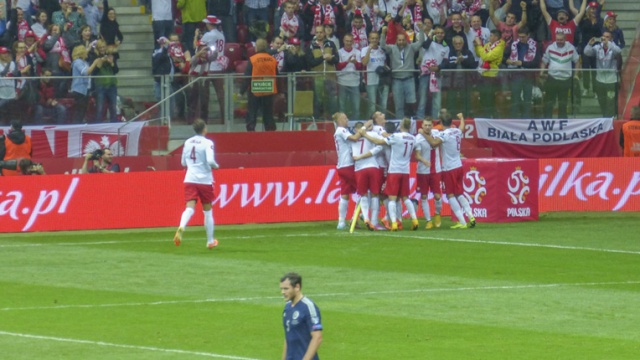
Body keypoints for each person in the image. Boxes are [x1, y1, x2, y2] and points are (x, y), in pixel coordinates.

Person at [361, 117, 420, 231]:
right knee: (406, 198)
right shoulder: (413, 138)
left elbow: (378, 142)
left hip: (394, 170)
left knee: (392, 199)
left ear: (401, 126)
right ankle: (414, 220)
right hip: (405, 171)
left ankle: (393, 223)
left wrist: (365, 134)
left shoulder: (396, 137)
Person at [423, 112, 476, 229]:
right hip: (459, 166)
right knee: (459, 193)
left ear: (441, 123)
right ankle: (471, 216)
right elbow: (462, 127)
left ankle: (462, 222)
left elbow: (433, 143)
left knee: (450, 195)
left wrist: (423, 133)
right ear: (451, 122)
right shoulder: (456, 131)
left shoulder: (444, 134)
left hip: (449, 169)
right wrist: (462, 118)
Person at [174, 118, 220, 249]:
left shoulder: (187, 142)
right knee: (208, 211)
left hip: (190, 178)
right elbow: (210, 161)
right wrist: (216, 166)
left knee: (189, 208)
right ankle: (210, 241)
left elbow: (183, 163)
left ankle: (182, 226)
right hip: (204, 180)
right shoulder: (208, 143)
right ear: (204, 128)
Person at [380, 21, 425, 119]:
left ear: (406, 40)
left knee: (411, 102)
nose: (401, 42)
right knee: (398, 105)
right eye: (399, 40)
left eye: (403, 40)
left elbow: (421, 42)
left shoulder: (411, 47)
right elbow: (382, 46)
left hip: (409, 79)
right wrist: (383, 33)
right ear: (396, 40)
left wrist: (421, 30)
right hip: (397, 80)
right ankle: (399, 124)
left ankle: (411, 122)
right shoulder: (392, 48)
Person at [350, 121, 385, 230]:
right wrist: (370, 153)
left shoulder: (352, 139)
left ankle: (366, 218)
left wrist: (359, 157)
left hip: (359, 168)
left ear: (356, 129)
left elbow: (350, 154)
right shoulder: (372, 134)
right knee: (375, 194)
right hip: (372, 166)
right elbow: (381, 146)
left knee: (363, 194)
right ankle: (374, 221)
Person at [280, 272, 322, 360]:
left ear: (297, 287)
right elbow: (288, 337)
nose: (283, 292)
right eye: (282, 289)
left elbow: (317, 337)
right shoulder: (287, 307)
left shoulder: (308, 307)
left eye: (286, 289)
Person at [241, 38, 278, 132]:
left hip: (255, 90)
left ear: (256, 48)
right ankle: (270, 134)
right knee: (268, 114)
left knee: (252, 113)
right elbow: (277, 75)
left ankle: (251, 132)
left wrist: (242, 91)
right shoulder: (272, 59)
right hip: (269, 89)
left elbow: (247, 77)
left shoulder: (253, 59)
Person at [540, 32, 580, 119]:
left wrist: (576, 75)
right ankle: (547, 122)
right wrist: (541, 73)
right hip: (552, 78)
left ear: (565, 39)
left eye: (561, 40)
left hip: (566, 80)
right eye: (557, 39)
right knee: (549, 103)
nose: (559, 41)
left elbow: (577, 61)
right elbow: (544, 61)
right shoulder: (550, 47)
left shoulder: (571, 48)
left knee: (563, 103)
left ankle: (562, 124)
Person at [503, 27, 540, 119]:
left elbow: (536, 62)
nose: (521, 39)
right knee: (515, 97)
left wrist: (522, 63)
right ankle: (514, 118)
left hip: (528, 75)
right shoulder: (514, 44)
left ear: (528, 36)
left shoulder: (535, 45)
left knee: (527, 98)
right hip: (516, 74)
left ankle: (526, 118)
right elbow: (503, 58)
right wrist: (507, 61)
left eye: (523, 37)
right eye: (519, 37)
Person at [583, 31, 621, 118]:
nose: (604, 38)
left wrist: (609, 44)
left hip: (611, 80)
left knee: (610, 102)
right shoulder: (597, 47)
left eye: (607, 37)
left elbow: (618, 52)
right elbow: (587, 52)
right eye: (603, 36)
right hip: (600, 80)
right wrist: (589, 44)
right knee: (602, 101)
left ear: (611, 39)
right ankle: (605, 118)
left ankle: (610, 119)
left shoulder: (613, 47)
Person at [333, 111, 360, 230]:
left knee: (345, 194)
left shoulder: (340, 131)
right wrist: (363, 130)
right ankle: (356, 218)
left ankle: (341, 222)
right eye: (344, 118)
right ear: (339, 121)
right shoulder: (341, 130)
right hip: (348, 165)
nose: (347, 119)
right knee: (364, 191)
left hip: (341, 166)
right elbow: (354, 138)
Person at [414, 118, 442, 229]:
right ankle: (428, 220)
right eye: (425, 125)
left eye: (429, 125)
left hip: (436, 170)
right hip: (422, 171)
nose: (427, 127)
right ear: (422, 125)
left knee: (437, 196)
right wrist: (423, 160)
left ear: (432, 126)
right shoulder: (418, 138)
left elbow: (434, 144)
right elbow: (417, 155)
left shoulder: (436, 133)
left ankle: (437, 214)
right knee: (424, 196)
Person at [416, 25, 449, 120]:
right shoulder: (429, 42)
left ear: (444, 34)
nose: (439, 34)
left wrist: (438, 68)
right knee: (422, 98)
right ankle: (420, 118)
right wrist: (431, 36)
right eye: (437, 32)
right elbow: (424, 46)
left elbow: (446, 62)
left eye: (441, 33)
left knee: (437, 99)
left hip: (437, 74)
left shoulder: (446, 47)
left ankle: (436, 119)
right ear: (435, 33)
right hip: (425, 74)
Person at [306, 24, 338, 119]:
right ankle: (316, 119)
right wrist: (323, 58)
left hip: (330, 76)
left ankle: (332, 119)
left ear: (324, 33)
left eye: (321, 32)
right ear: (315, 33)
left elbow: (336, 60)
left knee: (331, 99)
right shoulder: (311, 46)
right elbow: (310, 63)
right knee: (318, 99)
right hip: (317, 77)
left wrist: (330, 59)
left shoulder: (330, 44)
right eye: (317, 32)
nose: (319, 34)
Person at [474, 29, 505, 118]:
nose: (489, 37)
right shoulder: (488, 45)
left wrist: (479, 45)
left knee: (489, 98)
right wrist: (476, 46)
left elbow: (487, 57)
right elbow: (480, 53)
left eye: (491, 35)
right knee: (483, 97)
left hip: (492, 76)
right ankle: (484, 115)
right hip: (483, 75)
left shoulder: (499, 47)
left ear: (496, 37)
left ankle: (490, 116)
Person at [361, 31, 389, 117]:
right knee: (372, 106)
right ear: (369, 39)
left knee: (383, 105)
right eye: (372, 38)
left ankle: (382, 123)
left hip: (383, 80)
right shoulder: (364, 49)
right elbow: (364, 63)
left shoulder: (382, 49)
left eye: (376, 38)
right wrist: (370, 49)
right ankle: (370, 124)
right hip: (370, 80)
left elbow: (384, 63)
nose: (374, 40)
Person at [71, 44, 101, 123]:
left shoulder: (84, 62)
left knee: (83, 111)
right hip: (79, 90)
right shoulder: (77, 62)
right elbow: (85, 72)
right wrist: (94, 63)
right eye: (85, 51)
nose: (87, 53)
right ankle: (76, 127)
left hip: (86, 90)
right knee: (79, 111)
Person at [336, 33, 362, 119]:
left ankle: (355, 125)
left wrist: (355, 63)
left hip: (354, 82)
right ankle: (342, 124)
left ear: (353, 42)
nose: (348, 43)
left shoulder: (357, 52)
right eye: (347, 41)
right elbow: (338, 67)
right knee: (342, 106)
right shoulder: (339, 52)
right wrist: (347, 61)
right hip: (342, 81)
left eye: (350, 41)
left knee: (356, 106)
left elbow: (360, 67)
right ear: (343, 41)